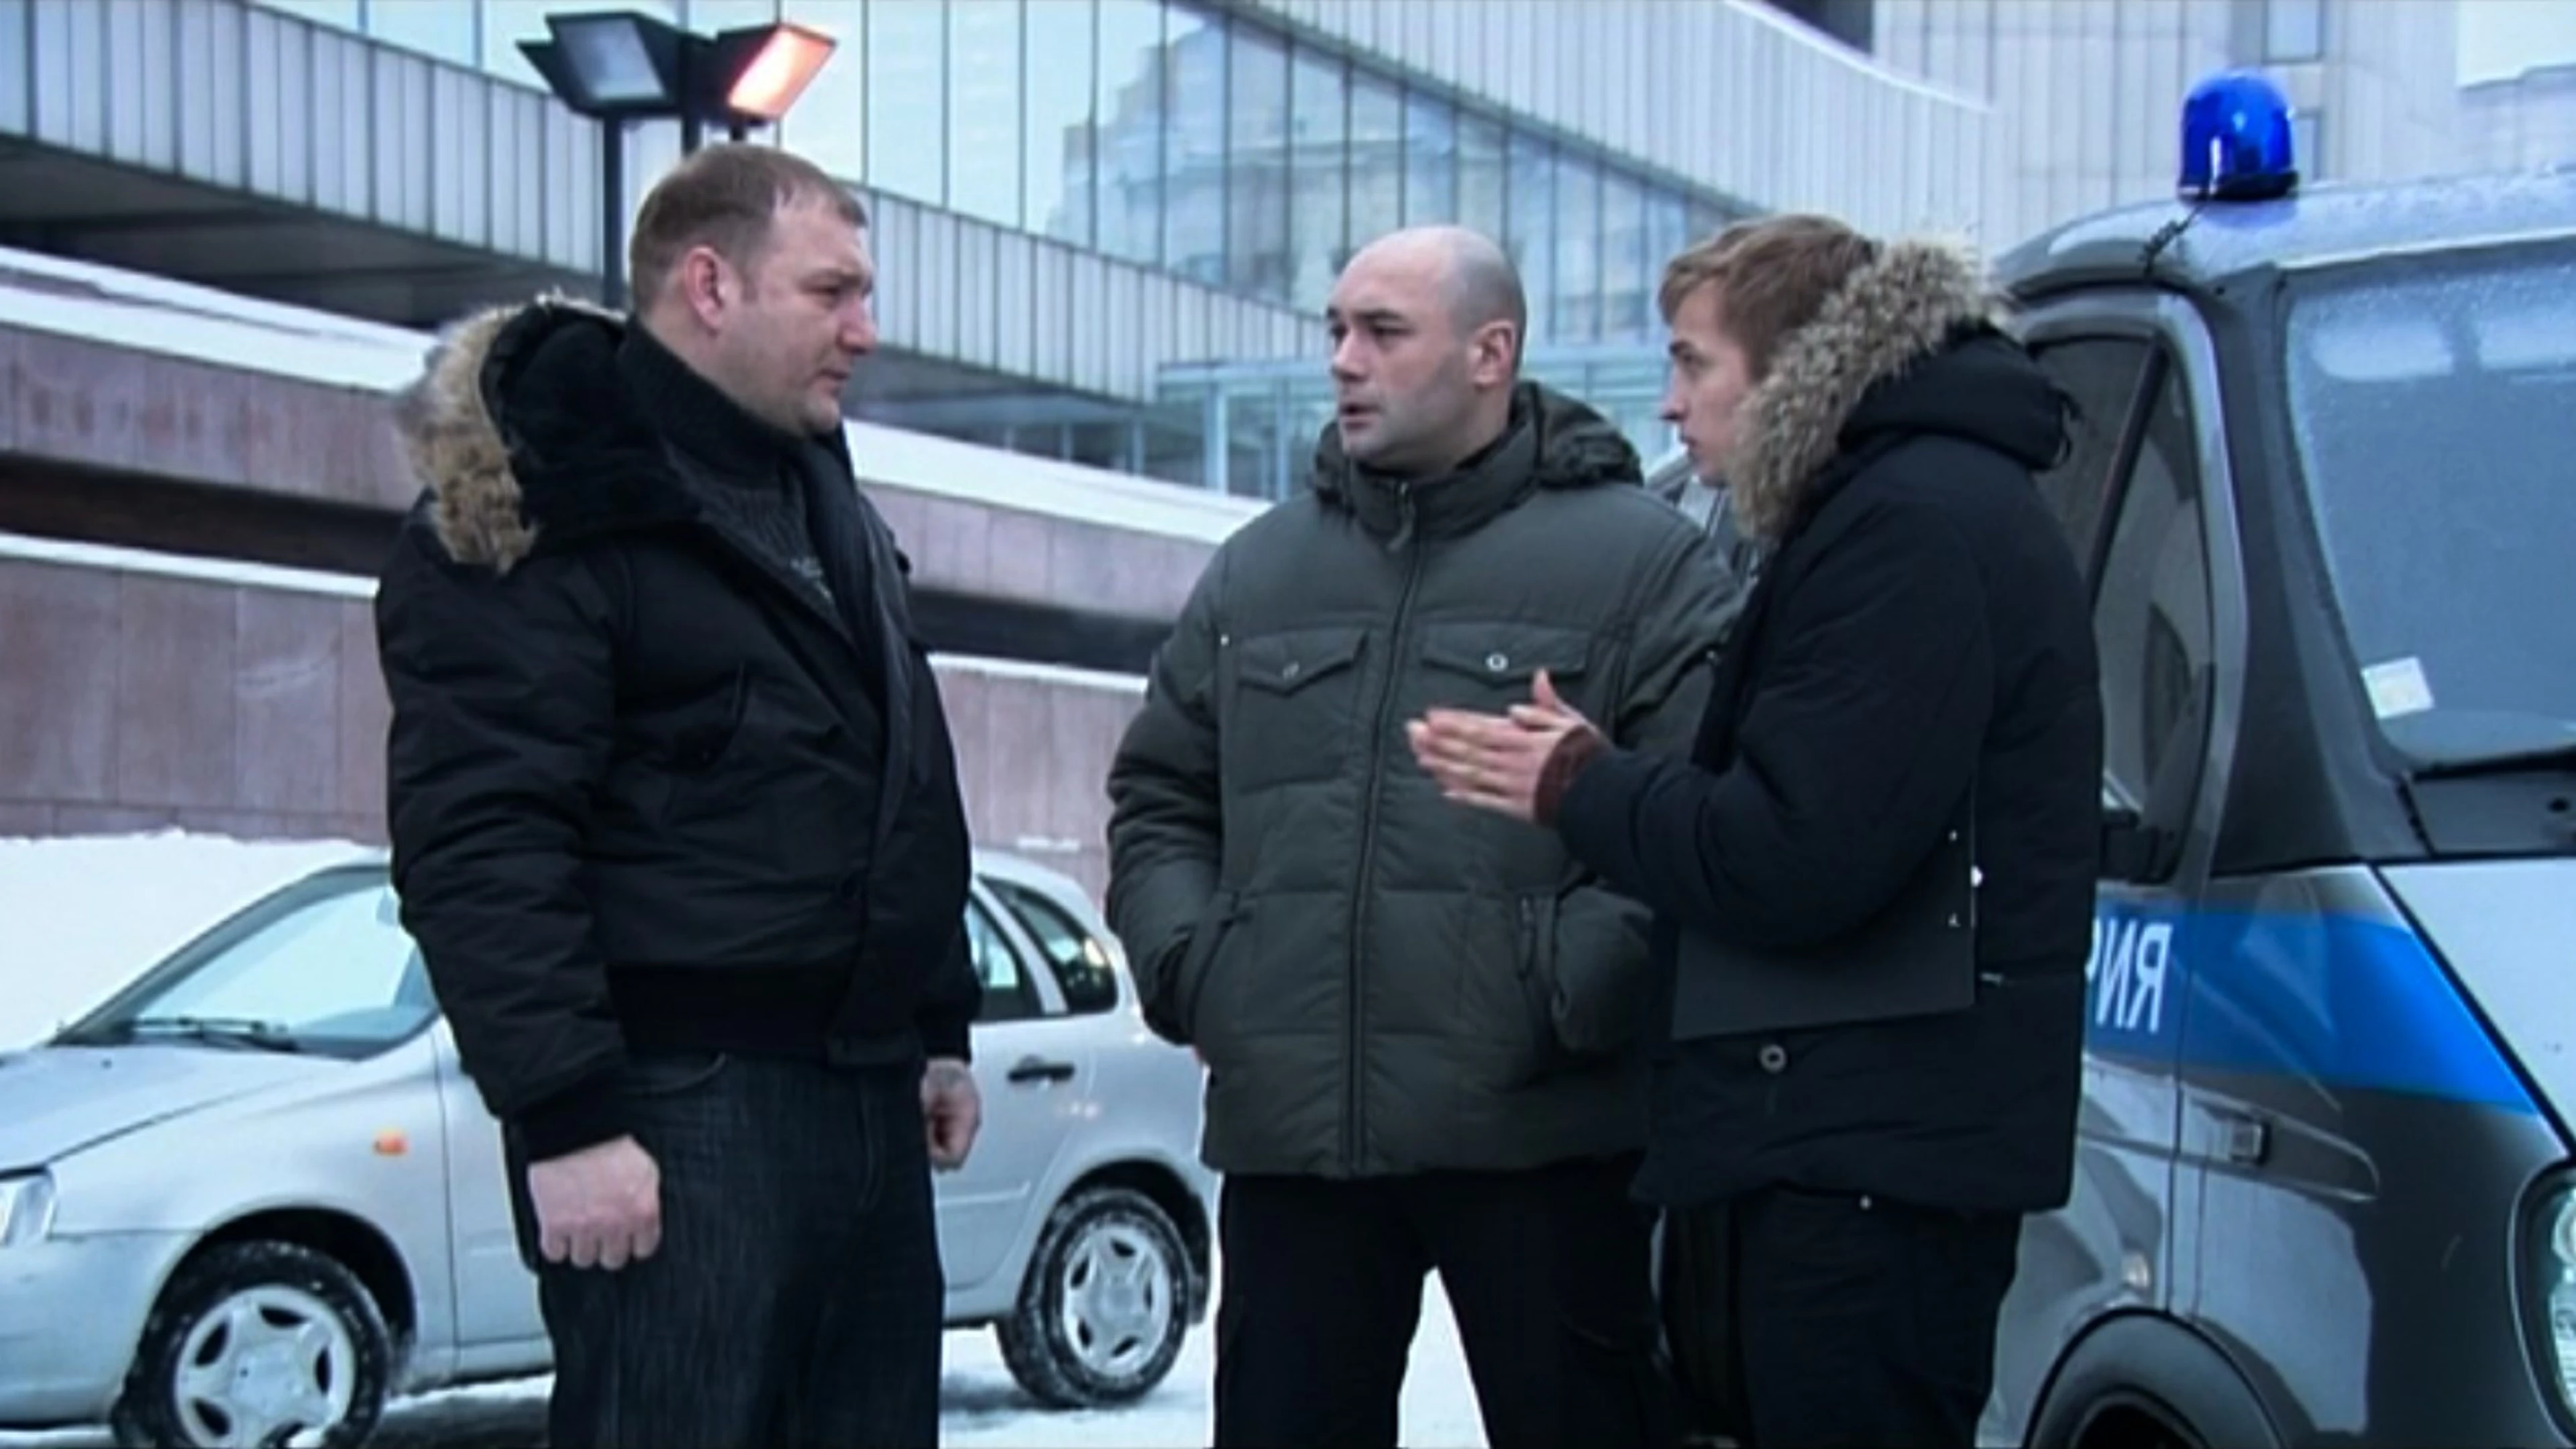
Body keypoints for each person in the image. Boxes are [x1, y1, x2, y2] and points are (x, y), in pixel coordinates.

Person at [1408, 213, 2102, 1449]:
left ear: (1796, 368)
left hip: (1864, 1168)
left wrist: (1584, 786)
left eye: (1694, 363)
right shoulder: (1893, 509)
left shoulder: (1908, 528)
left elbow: (1794, 855)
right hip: (1849, 1148)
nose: (1670, 404)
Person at [374, 144, 983, 1449]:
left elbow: (893, 775)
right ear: (710, 286)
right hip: (675, 1107)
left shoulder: (820, 496)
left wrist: (935, 1017)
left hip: (863, 1094)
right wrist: (568, 1116)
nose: (865, 332)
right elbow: (482, 836)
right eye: (831, 292)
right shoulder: (547, 503)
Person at [1104, 223, 1737, 1449]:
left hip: (1542, 1139)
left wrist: (1564, 987)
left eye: (1383, 332)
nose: (1344, 360)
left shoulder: (1641, 568)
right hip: (1298, 1140)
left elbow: (1693, 820)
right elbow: (1162, 796)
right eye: (1337, 330)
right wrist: (1200, 968)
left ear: (1491, 353)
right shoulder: (1259, 573)